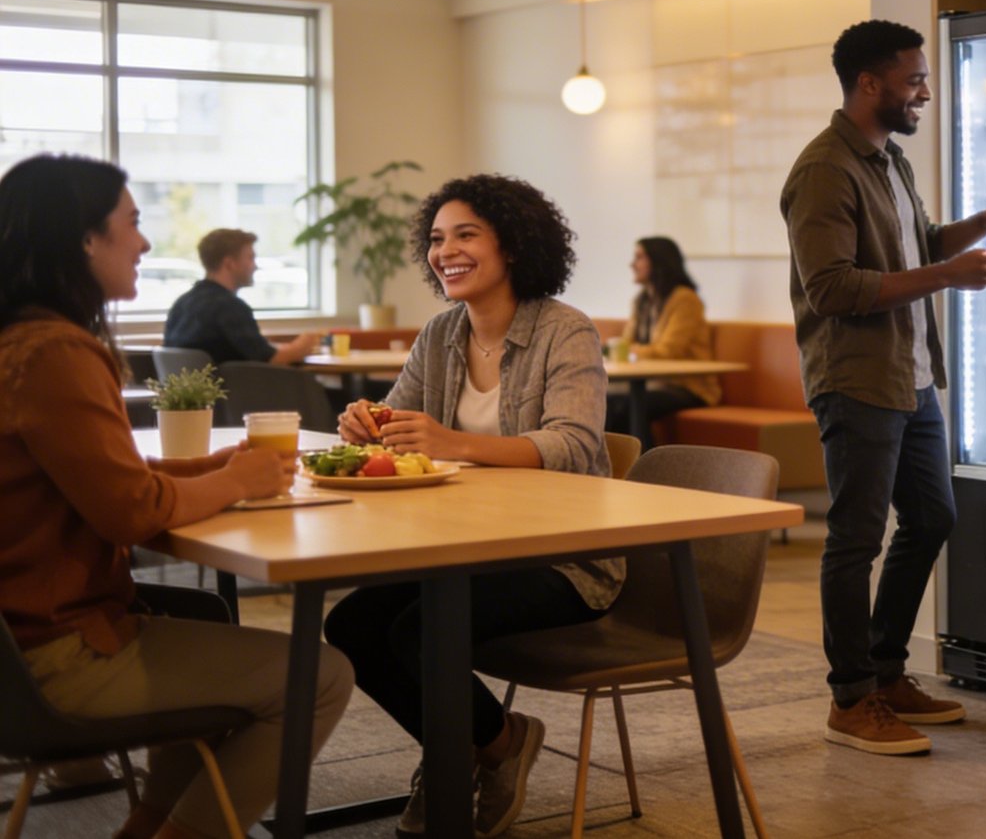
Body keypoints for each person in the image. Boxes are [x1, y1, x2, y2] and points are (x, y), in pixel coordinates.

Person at [0, 154, 352, 839]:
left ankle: (152, 822)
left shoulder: (17, 342)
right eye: (131, 223)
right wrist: (235, 482)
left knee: (208, 616)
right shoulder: (55, 353)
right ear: (83, 240)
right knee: (322, 676)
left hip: (16, 640)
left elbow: (97, 482)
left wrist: (214, 469)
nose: (145, 242)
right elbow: (130, 512)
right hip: (52, 655)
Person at [323, 173, 612, 838]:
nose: (444, 251)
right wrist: (367, 422)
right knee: (351, 628)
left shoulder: (565, 331)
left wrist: (452, 441)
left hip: (562, 557)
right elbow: (401, 415)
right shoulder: (442, 332)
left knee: (420, 632)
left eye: (465, 235)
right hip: (467, 545)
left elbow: (571, 444)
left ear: (511, 245)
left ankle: (467, 753)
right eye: (436, 239)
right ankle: (494, 743)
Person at [781, 19, 986, 756]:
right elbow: (830, 289)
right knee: (855, 540)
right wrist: (951, 276)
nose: (924, 90)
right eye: (914, 78)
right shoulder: (824, 170)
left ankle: (887, 672)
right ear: (870, 84)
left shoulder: (889, 159)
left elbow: (914, 245)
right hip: (857, 379)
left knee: (931, 518)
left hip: (913, 374)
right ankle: (850, 698)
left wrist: (978, 227)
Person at [615, 236, 721, 448]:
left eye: (639, 257)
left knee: (631, 404)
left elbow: (669, 350)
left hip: (688, 387)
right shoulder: (641, 300)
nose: (632, 264)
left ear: (658, 261)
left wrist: (630, 351)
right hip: (653, 383)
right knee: (605, 400)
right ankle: (614, 469)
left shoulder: (685, 299)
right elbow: (625, 344)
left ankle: (644, 473)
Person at [163, 227, 321, 365]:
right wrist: (302, 346)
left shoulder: (181, 304)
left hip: (192, 396)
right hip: (234, 397)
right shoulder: (229, 307)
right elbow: (269, 358)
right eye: (250, 258)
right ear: (229, 264)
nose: (255, 266)